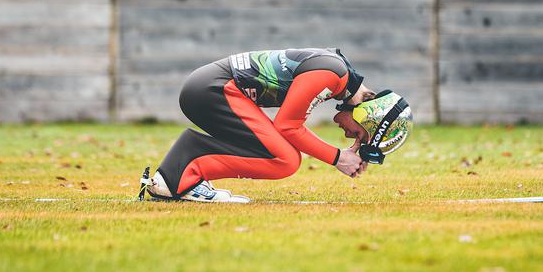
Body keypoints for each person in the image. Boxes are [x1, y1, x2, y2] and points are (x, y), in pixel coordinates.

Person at [141, 48, 412, 203]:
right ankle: (179, 178)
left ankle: (183, 168)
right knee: (284, 159)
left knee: (278, 151)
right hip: (214, 88)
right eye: (360, 135)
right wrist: (338, 157)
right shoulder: (332, 75)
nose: (352, 137)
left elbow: (287, 126)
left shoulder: (337, 73)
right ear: (366, 114)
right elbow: (287, 126)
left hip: (210, 87)